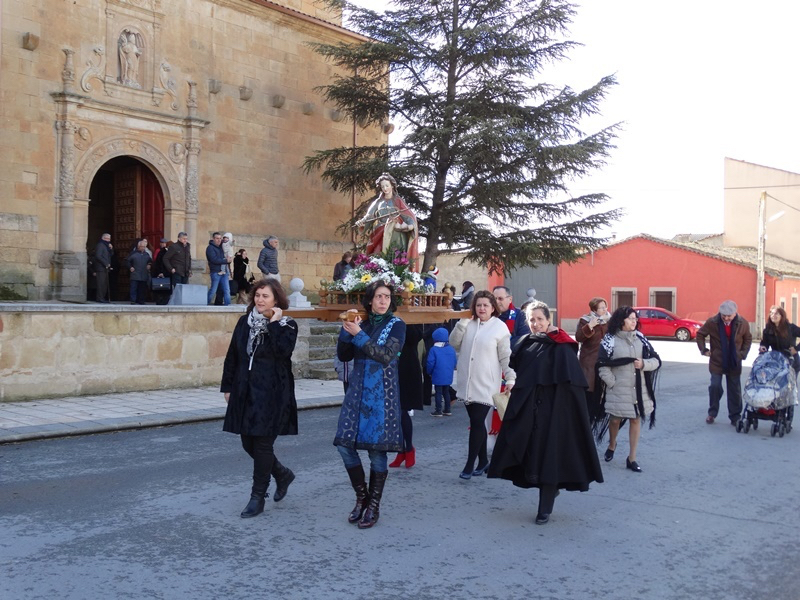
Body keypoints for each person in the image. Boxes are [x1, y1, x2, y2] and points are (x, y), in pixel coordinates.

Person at [488, 302, 604, 525]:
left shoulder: (562, 345)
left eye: (540, 319)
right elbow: (521, 372)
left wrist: (565, 416)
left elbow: (571, 384)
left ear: (548, 320)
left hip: (555, 413)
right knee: (530, 453)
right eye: (531, 320)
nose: (536, 324)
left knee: (550, 456)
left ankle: (545, 505)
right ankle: (547, 490)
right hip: (529, 410)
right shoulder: (525, 342)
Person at [221, 279, 298, 518]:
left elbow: (283, 352)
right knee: (248, 443)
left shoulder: (287, 325)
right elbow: (233, 354)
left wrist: (273, 324)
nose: (260, 300)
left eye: (266, 296)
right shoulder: (245, 322)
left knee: (263, 444)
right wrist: (228, 386)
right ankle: (282, 473)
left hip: (273, 392)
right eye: (258, 295)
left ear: (277, 300)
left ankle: (257, 497)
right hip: (245, 390)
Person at [334, 281, 406, 529]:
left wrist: (358, 334)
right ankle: (361, 497)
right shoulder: (360, 322)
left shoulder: (397, 325)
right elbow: (344, 355)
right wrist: (346, 331)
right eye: (378, 297)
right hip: (356, 392)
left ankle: (373, 505)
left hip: (381, 396)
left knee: (377, 451)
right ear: (370, 300)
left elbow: (385, 355)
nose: (383, 301)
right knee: (344, 445)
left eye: (386, 296)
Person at [449, 290, 515, 480]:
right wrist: (462, 323)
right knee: (477, 423)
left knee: (477, 422)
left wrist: (510, 378)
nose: (482, 308)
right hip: (467, 381)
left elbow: (505, 356)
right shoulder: (468, 324)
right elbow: (453, 343)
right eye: (479, 305)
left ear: (493, 308)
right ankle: (484, 461)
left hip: (486, 382)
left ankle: (469, 465)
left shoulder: (500, 327)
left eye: (486, 305)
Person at [596, 307, 661, 473]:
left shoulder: (641, 338)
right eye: (631, 318)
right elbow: (602, 365)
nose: (634, 321)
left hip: (638, 389)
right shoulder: (609, 340)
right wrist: (612, 383)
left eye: (635, 318)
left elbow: (656, 360)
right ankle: (612, 444)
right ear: (621, 320)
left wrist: (644, 364)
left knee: (635, 419)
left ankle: (632, 458)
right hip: (618, 389)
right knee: (615, 420)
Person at [696, 300, 752, 425]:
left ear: (735, 313)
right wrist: (704, 350)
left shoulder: (742, 323)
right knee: (715, 386)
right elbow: (700, 334)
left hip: (734, 360)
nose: (726, 318)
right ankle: (712, 413)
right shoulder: (713, 322)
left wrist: (742, 354)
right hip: (717, 360)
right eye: (723, 315)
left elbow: (748, 338)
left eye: (729, 316)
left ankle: (735, 416)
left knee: (734, 389)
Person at [356, 173, 419, 268]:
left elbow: (410, 218)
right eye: (382, 186)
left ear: (392, 186)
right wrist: (361, 222)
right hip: (379, 233)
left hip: (396, 235)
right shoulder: (378, 202)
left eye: (387, 185)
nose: (385, 188)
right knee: (377, 255)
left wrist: (405, 227)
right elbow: (369, 217)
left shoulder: (398, 201)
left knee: (394, 257)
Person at [389, 324, 424, 469]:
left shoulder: (410, 323)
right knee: (393, 415)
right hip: (389, 369)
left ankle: (408, 448)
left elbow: (415, 337)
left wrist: (406, 321)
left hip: (406, 371)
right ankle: (401, 450)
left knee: (402, 411)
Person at [759, 305, 800, 421]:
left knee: (788, 388)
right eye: (771, 313)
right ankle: (774, 409)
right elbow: (765, 343)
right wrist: (763, 347)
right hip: (775, 360)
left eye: (776, 313)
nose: (773, 316)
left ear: (782, 316)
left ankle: (788, 417)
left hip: (791, 361)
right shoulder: (768, 330)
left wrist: (797, 348)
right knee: (773, 385)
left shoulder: (791, 328)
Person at [576, 297, 610, 420]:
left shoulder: (609, 320)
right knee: (589, 386)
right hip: (589, 359)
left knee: (602, 386)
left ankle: (600, 412)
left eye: (605, 306)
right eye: (601, 307)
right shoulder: (585, 320)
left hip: (604, 358)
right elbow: (579, 337)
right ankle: (587, 414)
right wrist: (590, 326)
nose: (605, 309)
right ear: (594, 309)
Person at [426, 327, 457, 416]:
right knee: (446, 392)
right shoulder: (451, 349)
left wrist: (429, 372)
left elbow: (430, 363)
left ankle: (438, 410)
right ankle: (447, 409)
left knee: (438, 392)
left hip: (437, 374)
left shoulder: (434, 349)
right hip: (448, 374)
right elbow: (454, 362)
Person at [206, 232, 231, 306]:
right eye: (217, 238)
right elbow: (214, 259)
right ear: (213, 239)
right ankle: (204, 304)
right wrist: (225, 260)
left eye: (220, 238)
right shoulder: (210, 248)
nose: (219, 240)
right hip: (215, 272)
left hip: (224, 272)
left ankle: (228, 307)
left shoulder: (222, 247)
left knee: (227, 290)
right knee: (213, 290)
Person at [125, 239, 152, 305]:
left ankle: (141, 300)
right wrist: (130, 267)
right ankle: (133, 300)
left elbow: (150, 261)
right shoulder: (133, 254)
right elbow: (127, 261)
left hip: (143, 274)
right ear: (138, 246)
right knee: (134, 288)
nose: (143, 248)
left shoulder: (147, 254)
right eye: (142, 246)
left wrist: (149, 265)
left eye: (144, 247)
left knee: (142, 288)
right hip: (135, 274)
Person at [150, 239, 172, 305]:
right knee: (161, 288)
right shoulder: (161, 252)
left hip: (168, 273)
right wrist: (161, 272)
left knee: (166, 289)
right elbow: (158, 263)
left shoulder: (170, 253)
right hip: (162, 273)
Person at [93, 233, 112, 303]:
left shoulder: (106, 246)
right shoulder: (100, 245)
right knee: (101, 284)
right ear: (104, 238)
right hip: (101, 268)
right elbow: (98, 256)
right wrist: (106, 263)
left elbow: (111, 255)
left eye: (109, 239)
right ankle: (100, 298)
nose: (109, 240)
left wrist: (111, 249)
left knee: (104, 284)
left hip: (105, 268)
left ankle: (102, 297)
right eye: (108, 239)